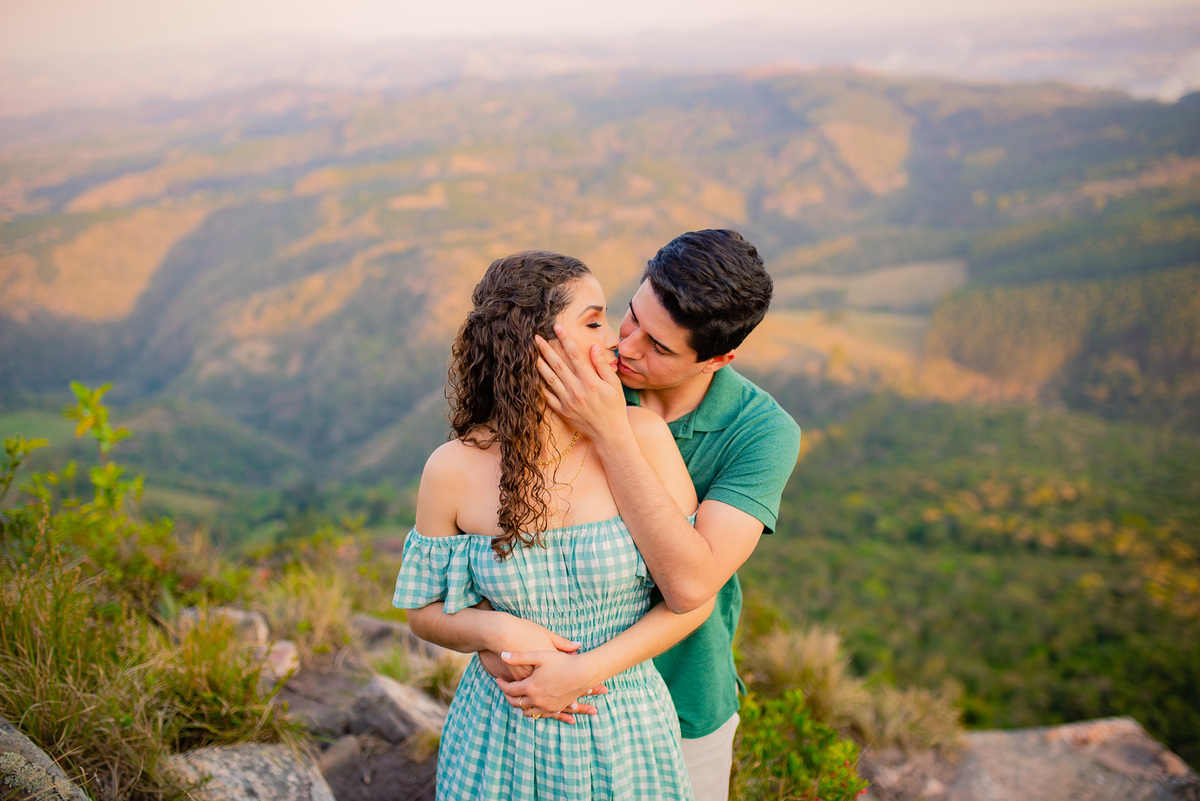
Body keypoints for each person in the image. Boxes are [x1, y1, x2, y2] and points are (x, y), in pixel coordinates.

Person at [392, 250, 712, 800]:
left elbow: (692, 598)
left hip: (626, 728)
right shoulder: (452, 468)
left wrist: (581, 672)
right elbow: (422, 611)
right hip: (502, 731)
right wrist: (495, 631)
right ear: (535, 342)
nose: (614, 339)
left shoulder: (645, 440)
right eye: (594, 321)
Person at [519, 229, 803, 801]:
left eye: (661, 347)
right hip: (558, 698)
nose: (626, 348)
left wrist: (611, 431)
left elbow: (691, 582)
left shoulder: (762, 433)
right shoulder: (580, 374)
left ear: (717, 360)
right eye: (632, 318)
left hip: (684, 704)